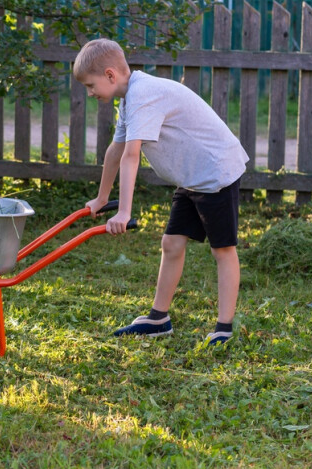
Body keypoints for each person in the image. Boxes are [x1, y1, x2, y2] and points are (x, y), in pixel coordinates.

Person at [73, 38, 248, 345]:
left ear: (111, 75)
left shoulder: (144, 95)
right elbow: (116, 150)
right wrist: (102, 199)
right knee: (171, 243)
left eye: (91, 85)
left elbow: (132, 154)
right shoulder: (129, 98)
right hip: (192, 178)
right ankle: (159, 318)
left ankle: (224, 328)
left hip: (216, 172)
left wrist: (124, 212)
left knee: (222, 249)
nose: (90, 93)